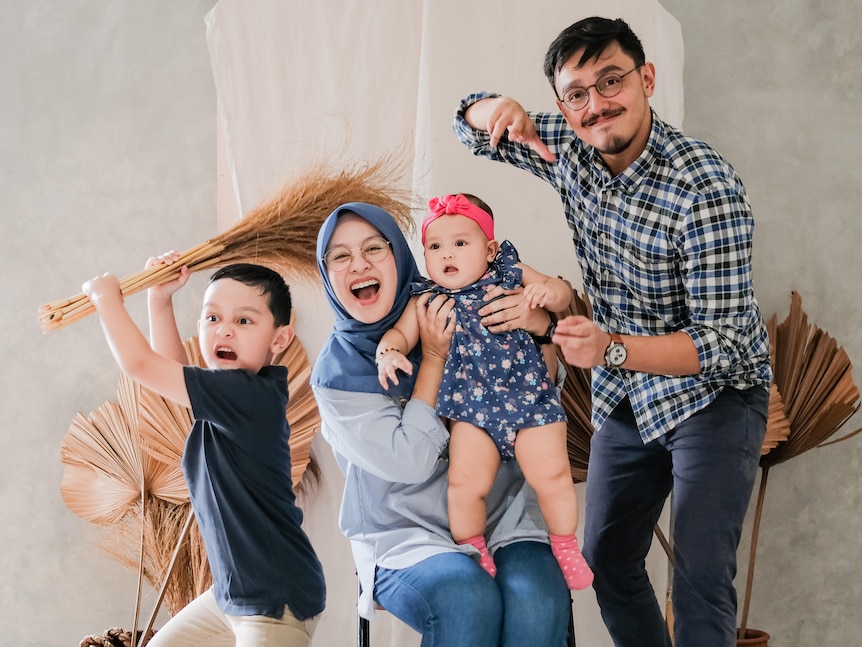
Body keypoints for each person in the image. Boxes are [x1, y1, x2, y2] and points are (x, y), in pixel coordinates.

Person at [454, 15, 772, 647]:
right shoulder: (570, 147)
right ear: (563, 107)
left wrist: (611, 349)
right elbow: (466, 125)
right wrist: (495, 108)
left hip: (714, 396)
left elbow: (723, 344)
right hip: (627, 396)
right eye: (577, 94)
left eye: (611, 82)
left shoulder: (704, 188)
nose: (597, 105)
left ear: (646, 79)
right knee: (606, 560)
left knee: (701, 579)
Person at [310, 202, 572, 647]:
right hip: (406, 538)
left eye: (375, 248)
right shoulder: (338, 374)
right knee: (466, 599)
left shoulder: (457, 300)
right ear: (327, 274)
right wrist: (432, 358)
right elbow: (411, 461)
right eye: (340, 256)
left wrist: (540, 325)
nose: (359, 264)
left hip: (502, 519)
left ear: (401, 255)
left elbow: (538, 390)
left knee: (538, 603)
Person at [82, 257, 325, 647]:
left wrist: (105, 299)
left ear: (279, 339)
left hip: (275, 600)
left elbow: (142, 364)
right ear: (200, 327)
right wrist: (159, 300)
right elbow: (168, 369)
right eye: (212, 319)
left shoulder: (247, 397)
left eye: (244, 321)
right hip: (232, 593)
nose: (224, 330)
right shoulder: (227, 396)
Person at [375, 192, 592, 590]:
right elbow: (399, 335)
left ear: (490, 250)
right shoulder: (427, 299)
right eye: (435, 247)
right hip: (471, 411)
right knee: (463, 484)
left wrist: (548, 295)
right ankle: (476, 549)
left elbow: (558, 290)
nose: (447, 254)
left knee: (554, 475)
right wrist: (388, 353)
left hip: (530, 400)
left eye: (461, 243)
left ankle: (565, 545)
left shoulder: (509, 273)